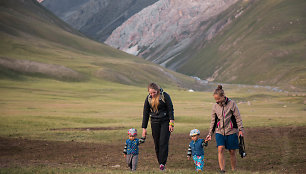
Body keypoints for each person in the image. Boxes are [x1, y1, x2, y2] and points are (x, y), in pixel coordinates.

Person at [206, 85, 244, 173]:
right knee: (220, 148)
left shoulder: (232, 104)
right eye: (215, 99)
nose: (217, 101)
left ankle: (234, 170)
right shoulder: (215, 106)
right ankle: (222, 170)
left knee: (232, 152)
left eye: (218, 99)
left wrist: (241, 129)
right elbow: (213, 121)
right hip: (219, 131)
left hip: (231, 131)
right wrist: (210, 134)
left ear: (223, 96)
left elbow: (238, 117)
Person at [142, 82, 174, 171]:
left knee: (163, 142)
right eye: (150, 93)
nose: (152, 94)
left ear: (157, 91)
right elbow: (145, 113)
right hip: (154, 122)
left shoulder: (165, 96)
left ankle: (162, 163)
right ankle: (160, 162)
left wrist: (171, 123)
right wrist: (144, 129)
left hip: (165, 121)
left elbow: (170, 109)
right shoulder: (148, 99)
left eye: (154, 93)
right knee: (157, 143)